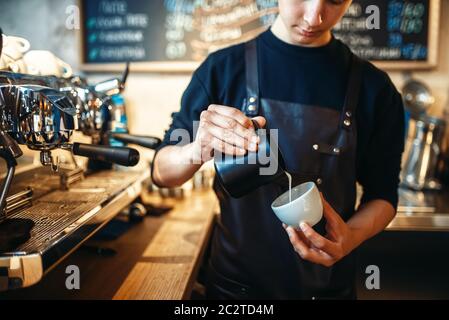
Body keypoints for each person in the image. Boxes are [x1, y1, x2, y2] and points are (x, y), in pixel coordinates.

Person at [151, 0, 404, 299]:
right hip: (234, 292)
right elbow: (162, 172)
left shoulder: (375, 89)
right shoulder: (221, 70)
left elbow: (383, 195)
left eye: (335, 1)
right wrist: (195, 149)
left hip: (327, 290)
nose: (314, 17)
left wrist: (349, 239)